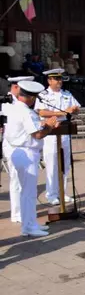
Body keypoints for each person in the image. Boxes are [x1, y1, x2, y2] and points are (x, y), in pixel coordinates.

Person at [6, 81, 59, 236]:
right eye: (34, 97)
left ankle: (31, 223)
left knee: (27, 192)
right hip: (26, 152)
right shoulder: (26, 112)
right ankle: (28, 227)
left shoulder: (17, 108)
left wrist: (43, 124)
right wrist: (49, 125)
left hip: (20, 151)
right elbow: (37, 134)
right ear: (29, 97)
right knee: (28, 193)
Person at [36, 68, 80, 205]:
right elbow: (41, 112)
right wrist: (63, 113)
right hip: (51, 132)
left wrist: (74, 110)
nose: (59, 81)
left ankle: (63, 192)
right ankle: (51, 194)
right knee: (52, 164)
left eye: (60, 78)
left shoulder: (66, 93)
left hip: (65, 131)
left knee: (65, 165)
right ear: (49, 80)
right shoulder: (43, 95)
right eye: (56, 79)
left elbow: (76, 108)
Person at [2, 76, 34, 225]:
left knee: (25, 182)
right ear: (15, 87)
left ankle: (25, 211)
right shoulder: (5, 102)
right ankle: (17, 213)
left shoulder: (25, 103)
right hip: (12, 145)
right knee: (15, 179)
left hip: (26, 143)